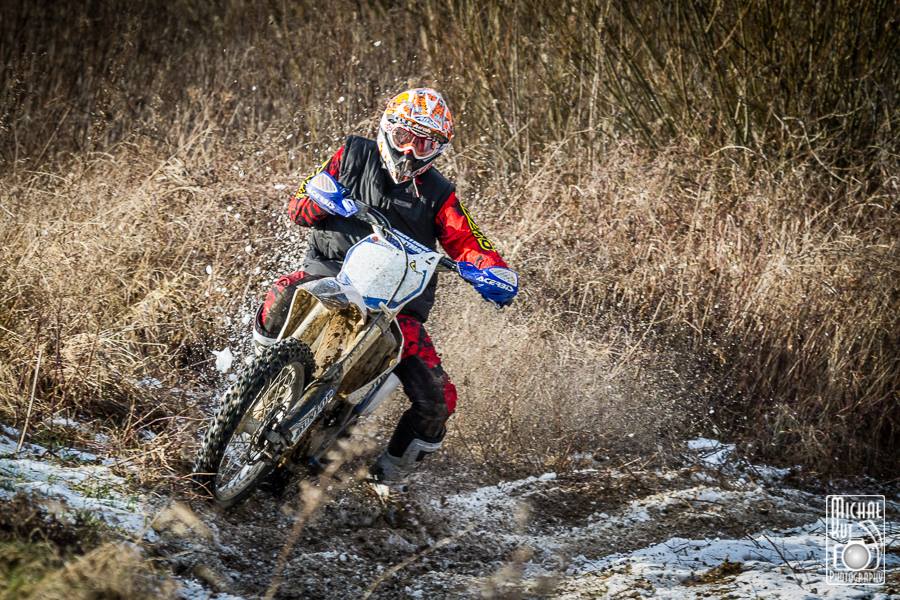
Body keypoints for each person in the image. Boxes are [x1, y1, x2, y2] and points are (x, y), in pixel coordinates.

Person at [253, 88, 519, 484]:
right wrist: (321, 200)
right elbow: (300, 204)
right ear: (386, 130)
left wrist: (491, 272)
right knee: (281, 293)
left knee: (438, 400)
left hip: (395, 308)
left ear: (438, 150)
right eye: (404, 137)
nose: (410, 151)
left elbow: (469, 241)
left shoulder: (440, 195)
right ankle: (252, 382)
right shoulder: (352, 155)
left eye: (423, 144)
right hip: (330, 274)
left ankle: (388, 482)